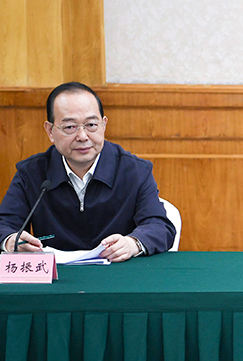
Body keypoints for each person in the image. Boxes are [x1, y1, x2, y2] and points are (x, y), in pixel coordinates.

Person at [0, 82, 175, 261]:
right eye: (70, 127)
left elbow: (160, 226)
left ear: (104, 125)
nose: (82, 136)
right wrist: (10, 240)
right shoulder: (30, 173)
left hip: (119, 271)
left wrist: (132, 244)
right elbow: (4, 224)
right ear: (50, 131)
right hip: (57, 274)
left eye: (91, 125)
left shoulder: (135, 171)